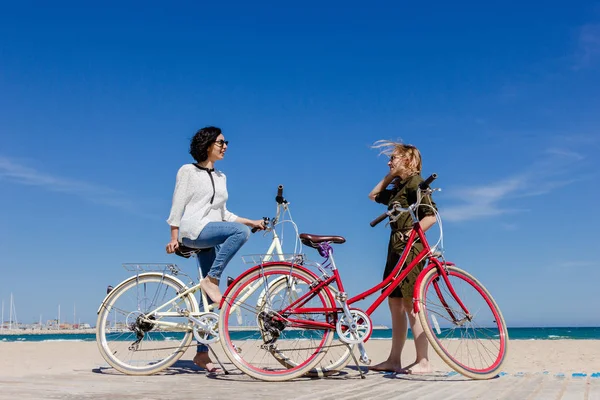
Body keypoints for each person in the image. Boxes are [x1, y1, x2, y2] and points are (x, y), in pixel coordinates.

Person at [165, 126, 265, 372]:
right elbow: (177, 203)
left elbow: (224, 214)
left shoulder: (221, 177)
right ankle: (213, 279)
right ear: (207, 144)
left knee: (208, 302)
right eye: (220, 142)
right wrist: (174, 235)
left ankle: (201, 354)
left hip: (210, 231)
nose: (225, 146)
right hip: (193, 231)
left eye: (225, 142)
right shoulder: (187, 171)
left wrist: (251, 221)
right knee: (239, 235)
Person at [367, 141, 437, 374]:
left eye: (393, 158)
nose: (389, 162)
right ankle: (394, 360)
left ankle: (423, 361)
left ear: (408, 160)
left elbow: (431, 216)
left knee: (410, 302)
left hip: (411, 247)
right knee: (394, 302)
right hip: (394, 247)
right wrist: (389, 176)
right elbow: (373, 195)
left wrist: (412, 233)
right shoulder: (399, 187)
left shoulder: (416, 183)